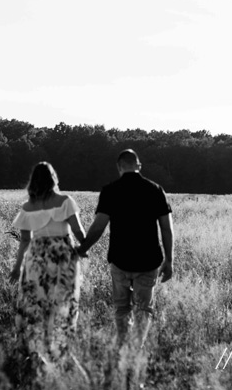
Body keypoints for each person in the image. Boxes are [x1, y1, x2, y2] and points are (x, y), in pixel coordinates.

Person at [77, 149, 174, 348]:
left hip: (120, 260)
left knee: (122, 308)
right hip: (149, 260)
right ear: (139, 166)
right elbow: (166, 228)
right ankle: (136, 348)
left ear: (119, 167)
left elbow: (98, 226)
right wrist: (169, 260)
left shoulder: (110, 190)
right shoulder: (156, 190)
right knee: (144, 309)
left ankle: (122, 344)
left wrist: (82, 248)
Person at [10, 161, 87, 367]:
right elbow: (78, 231)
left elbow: (25, 240)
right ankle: (60, 351)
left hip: (36, 258)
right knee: (64, 301)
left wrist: (17, 267)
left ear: (33, 182)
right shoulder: (65, 201)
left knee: (35, 303)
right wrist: (84, 248)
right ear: (54, 178)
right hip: (62, 256)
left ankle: (35, 350)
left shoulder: (27, 207)